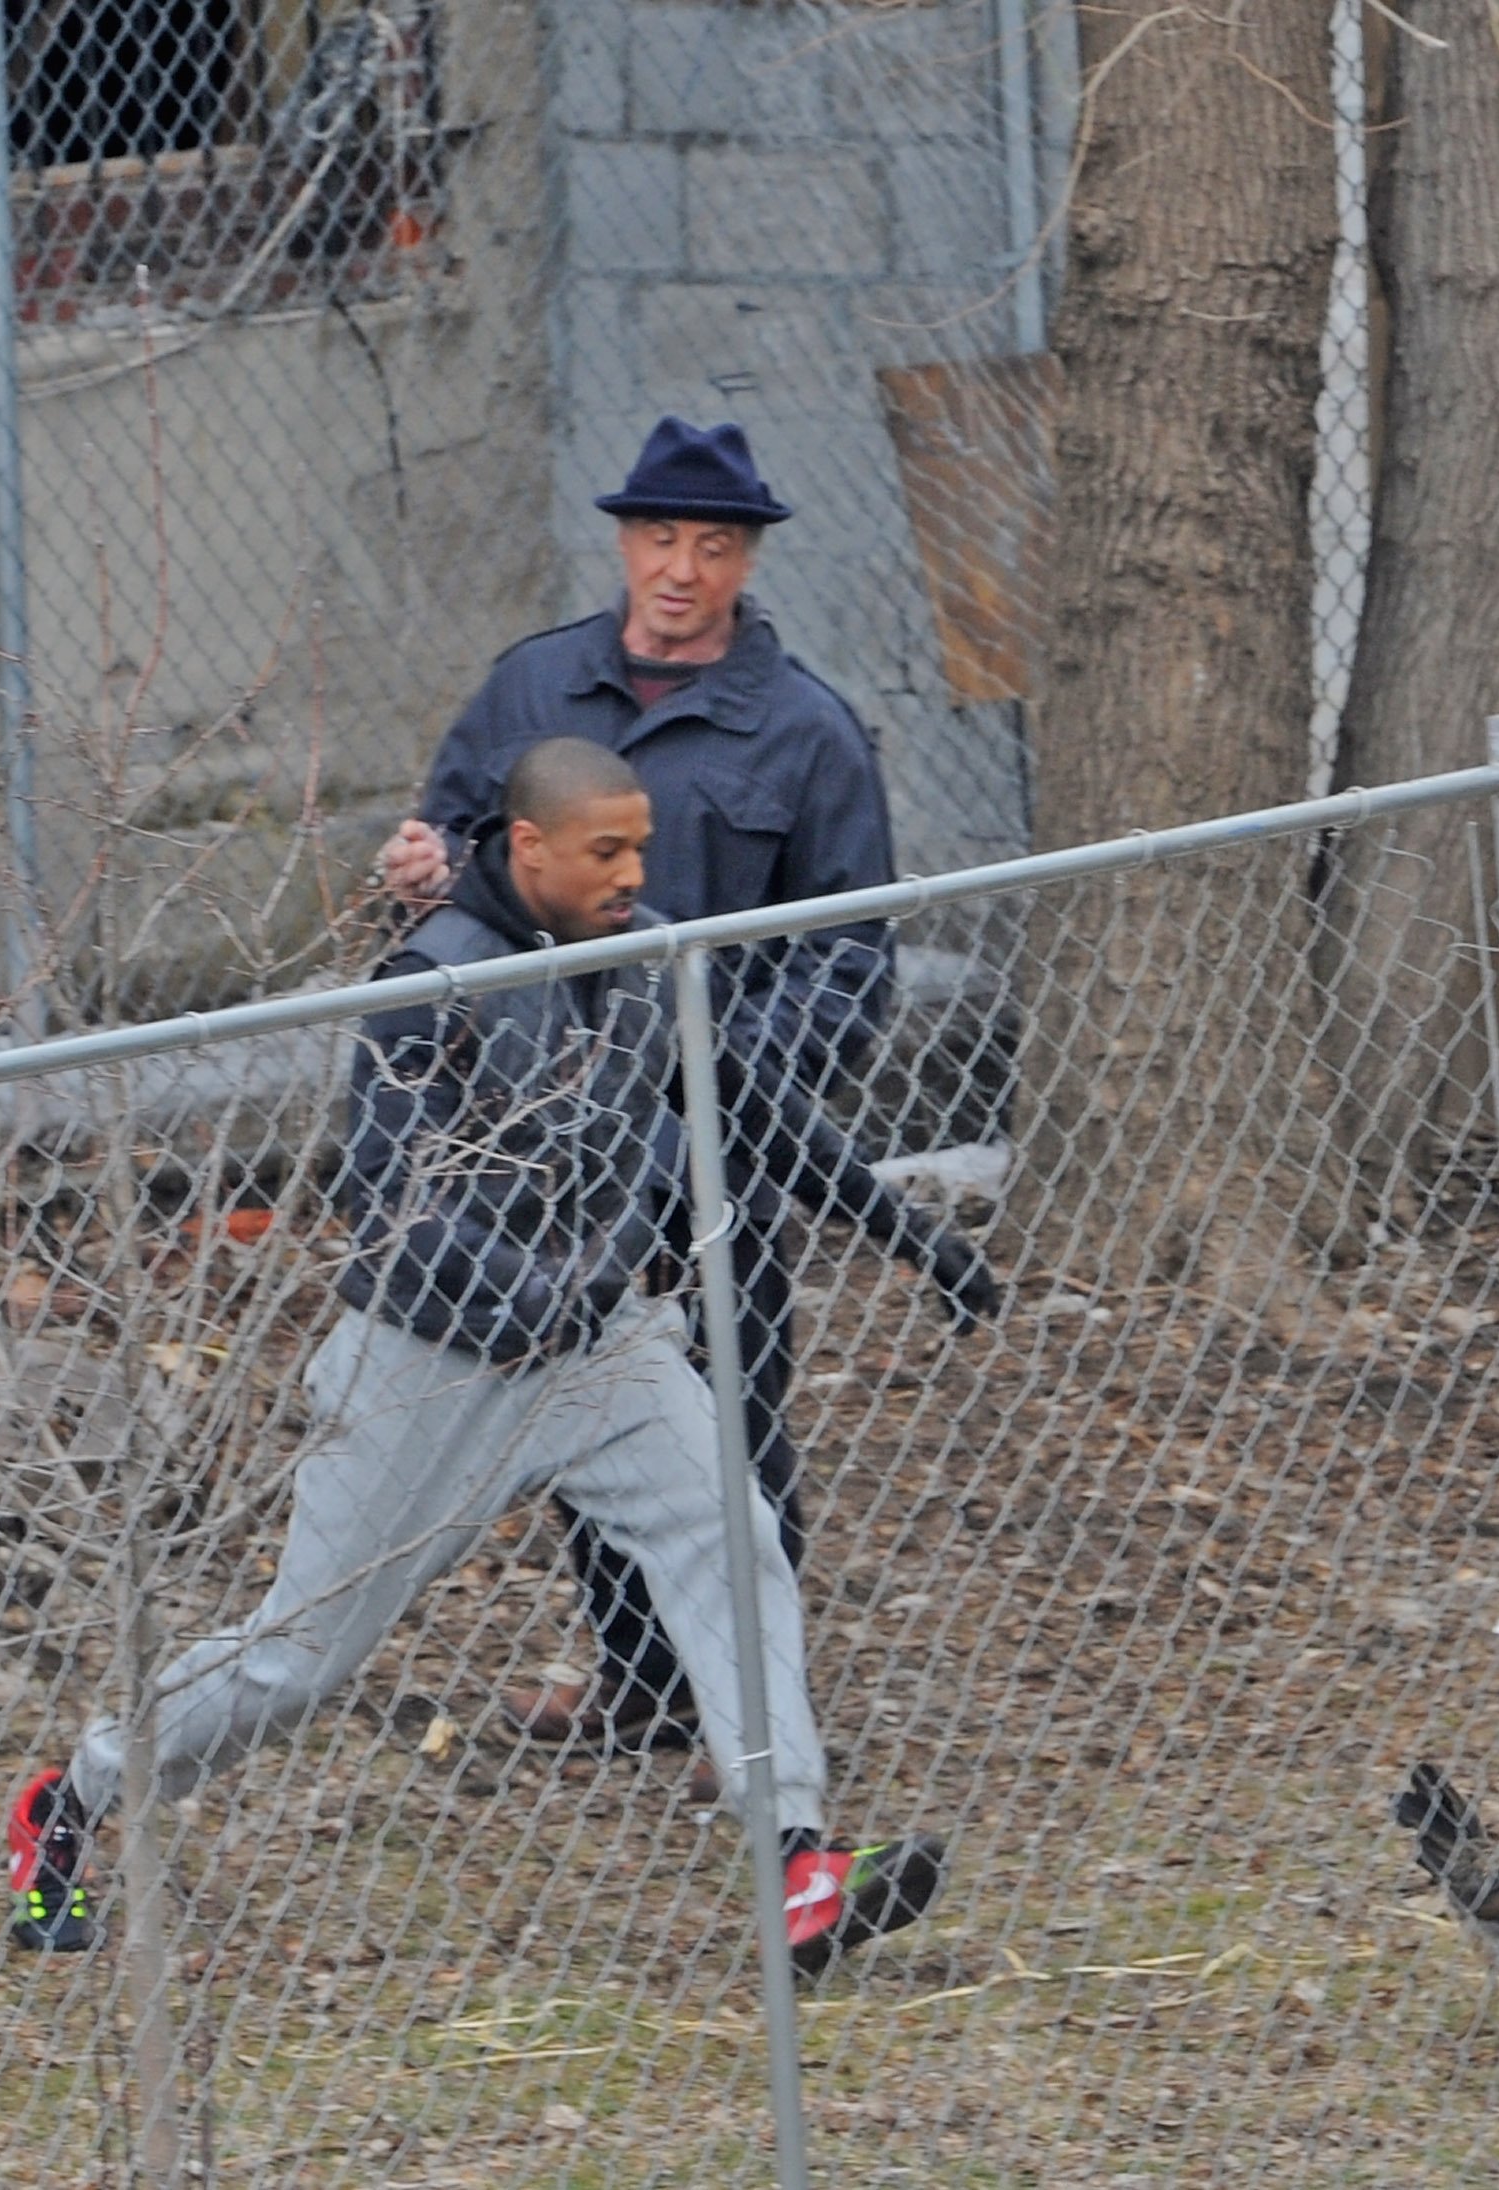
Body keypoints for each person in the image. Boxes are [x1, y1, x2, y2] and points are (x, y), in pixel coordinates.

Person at [7, 740, 944, 1973]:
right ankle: (69, 1803)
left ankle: (798, 1861)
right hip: (429, 1362)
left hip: (598, 1348)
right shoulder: (429, 980)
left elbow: (742, 1099)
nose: (633, 872)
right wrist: (544, 1285)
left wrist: (905, 1229)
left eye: (641, 846)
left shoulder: (641, 955)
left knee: (732, 1531)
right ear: (528, 846)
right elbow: (387, 1203)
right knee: (299, 1660)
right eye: (605, 850)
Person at [374, 416, 1001, 1775]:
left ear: (746, 562)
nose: (681, 569)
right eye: (661, 538)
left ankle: (752, 1719)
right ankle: (640, 1686)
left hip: (720, 1153)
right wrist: (426, 871)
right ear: (624, 542)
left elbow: (848, 960)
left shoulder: (809, 732)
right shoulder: (530, 689)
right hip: (552, 1146)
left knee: (732, 1426)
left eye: (712, 547)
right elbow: (460, 861)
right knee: (589, 1413)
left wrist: (722, 1088)